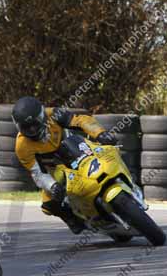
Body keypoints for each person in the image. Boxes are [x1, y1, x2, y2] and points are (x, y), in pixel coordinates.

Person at [12, 96, 117, 234]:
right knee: (48, 205)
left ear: (42, 116)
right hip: (56, 169)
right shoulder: (21, 146)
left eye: (34, 124)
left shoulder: (55, 114)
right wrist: (52, 185)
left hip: (80, 150)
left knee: (110, 151)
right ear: (18, 126)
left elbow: (80, 120)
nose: (32, 130)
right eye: (26, 127)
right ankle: (72, 219)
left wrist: (100, 133)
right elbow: (36, 172)